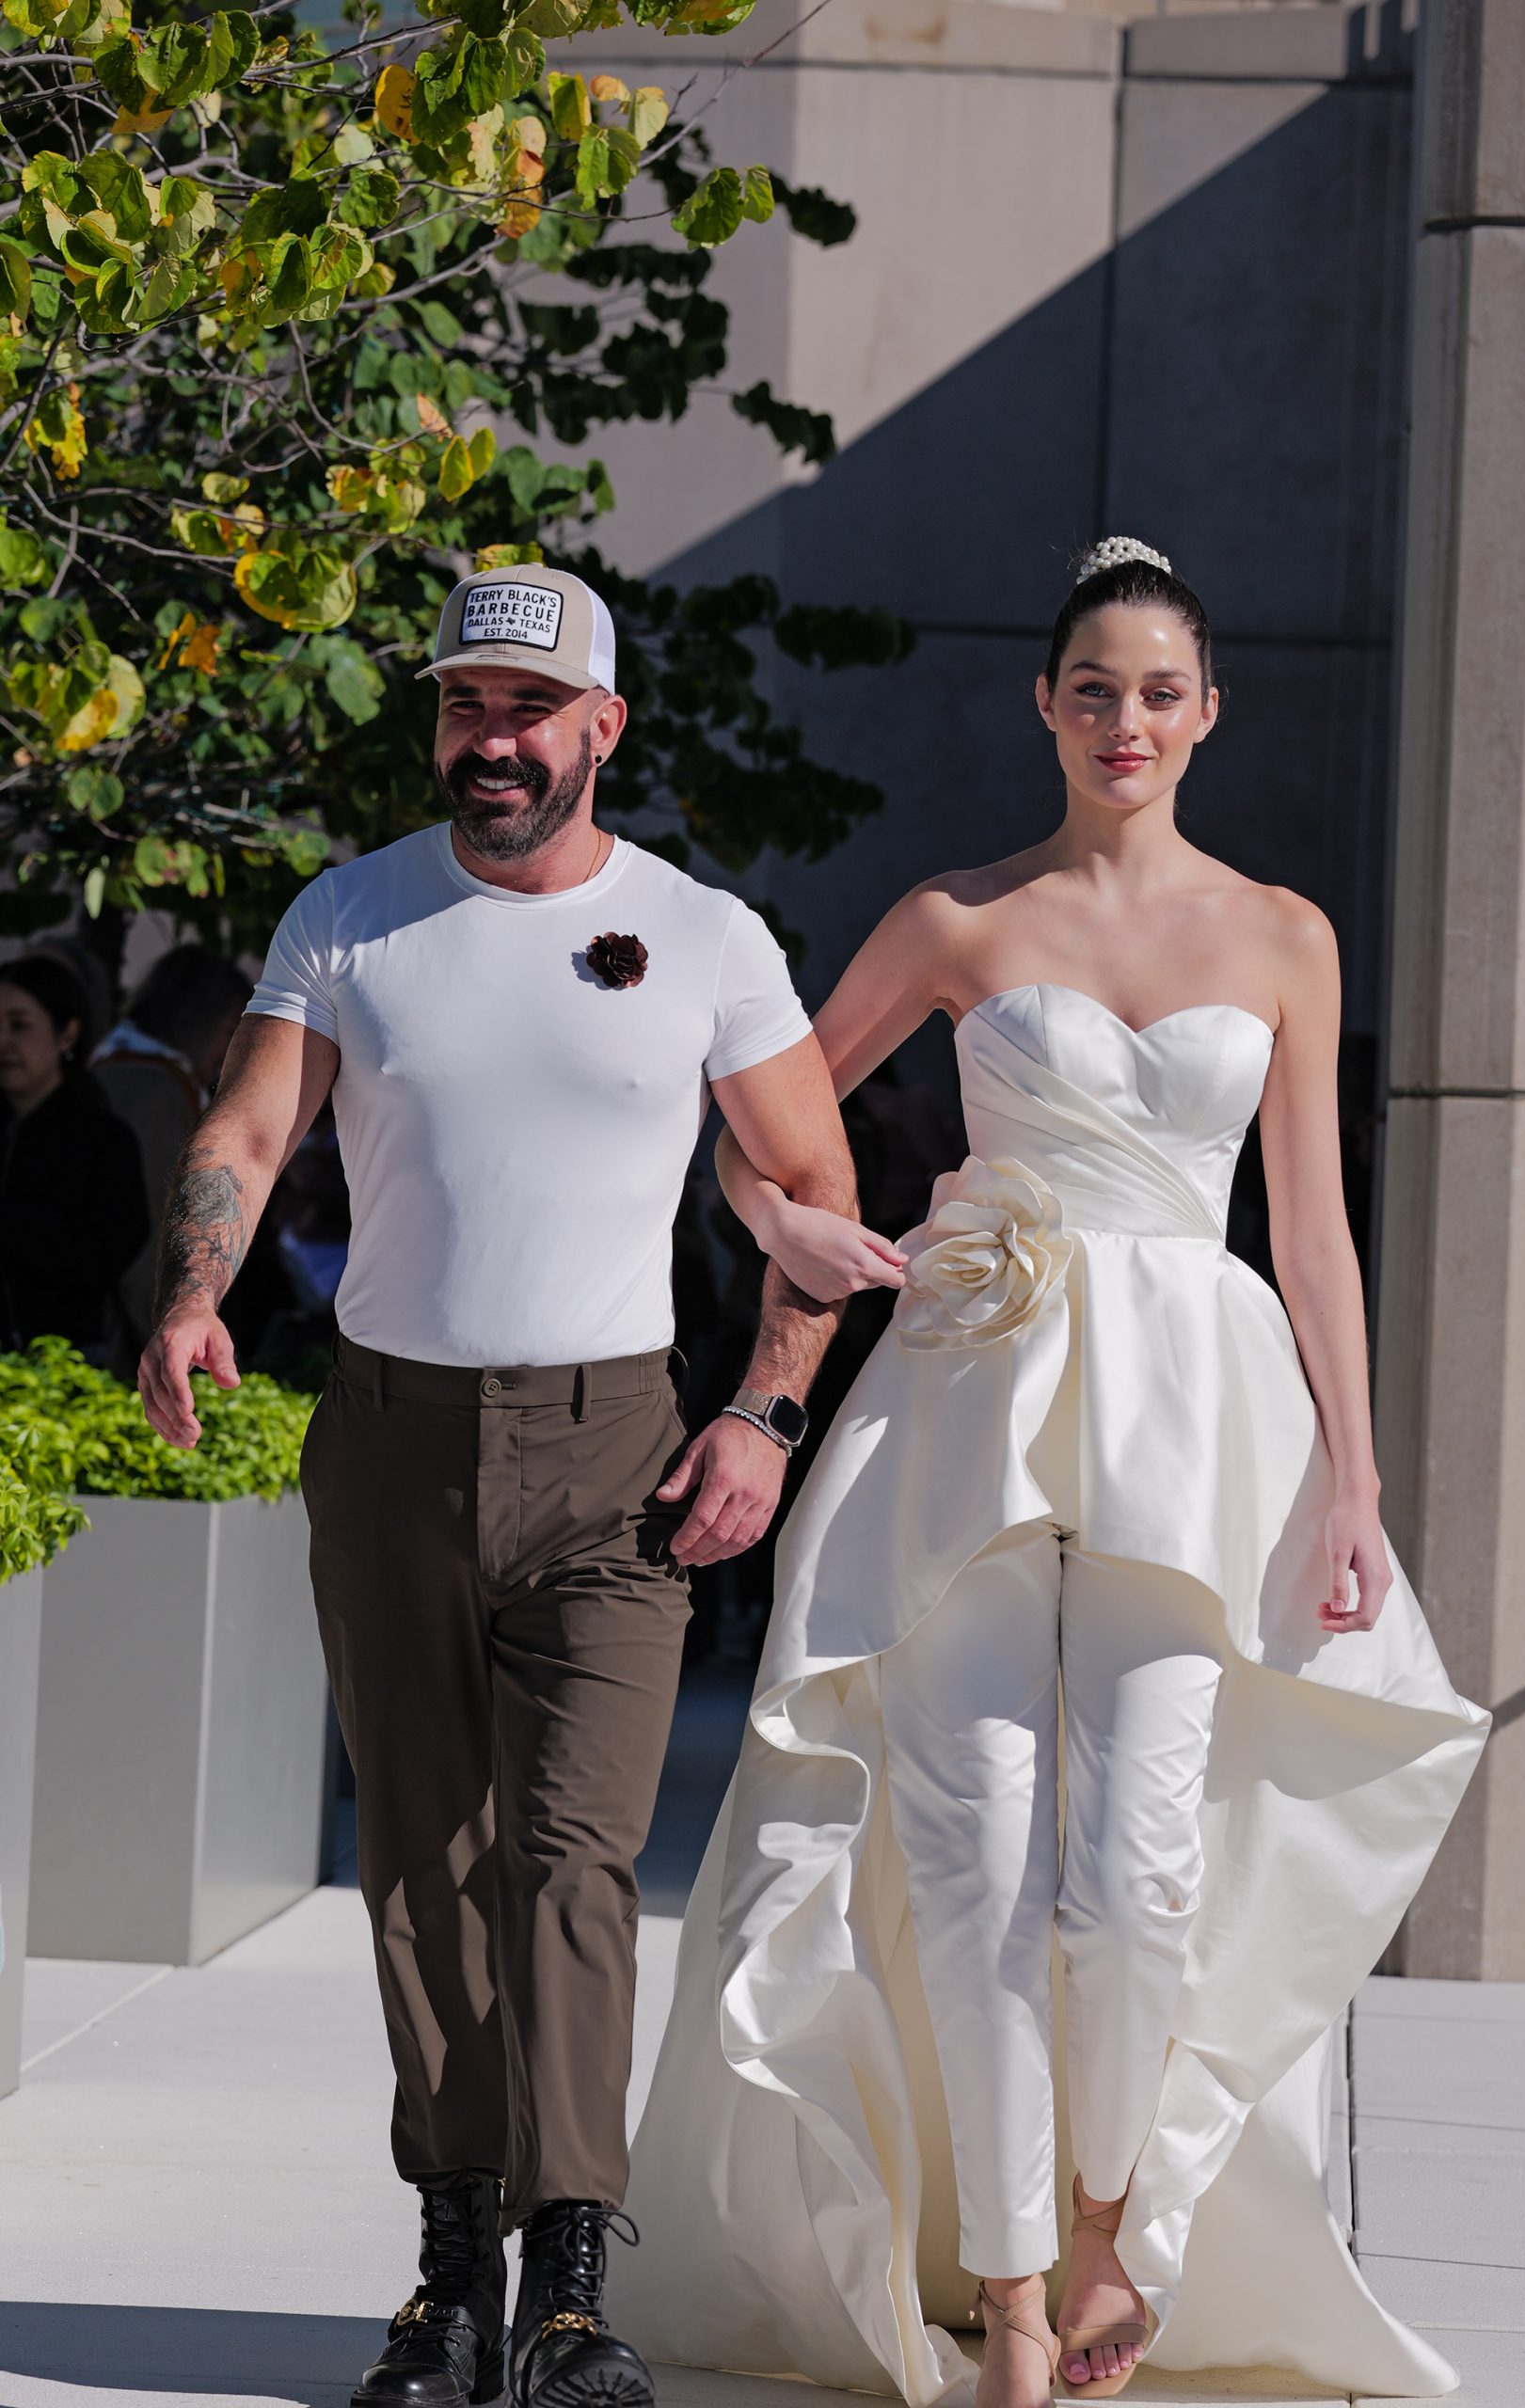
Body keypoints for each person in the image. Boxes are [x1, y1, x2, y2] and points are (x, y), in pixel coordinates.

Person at [612, 539, 1491, 2407]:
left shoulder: (1280, 933)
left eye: (1156, 691)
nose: (1123, 721)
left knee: (1138, 1858)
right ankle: (1011, 2307)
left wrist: (1353, 1479)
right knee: (973, 1853)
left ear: (1204, 712)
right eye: (1091, 687)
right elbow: (758, 1139)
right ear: (1046, 703)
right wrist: (808, 1233)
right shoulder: (953, 917)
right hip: (969, 1401)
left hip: (1199, 1408)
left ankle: (1115, 2224)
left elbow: (1312, 1230)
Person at [135, 563, 858, 2408]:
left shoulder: (702, 937)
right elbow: (248, 1121)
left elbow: (800, 1188)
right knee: (418, 1865)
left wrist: (763, 1416)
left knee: (572, 1862)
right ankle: (452, 2268)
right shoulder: (352, 916)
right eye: (467, 705)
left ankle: (573, 2285)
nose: (495, 741)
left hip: (615, 1446)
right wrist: (201, 1288)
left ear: (602, 726)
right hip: (388, 1443)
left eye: (531, 711)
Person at [93, 943, 253, 1370]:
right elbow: (154, 1215)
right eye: (228, 1032)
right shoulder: (157, 1090)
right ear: (199, 1021)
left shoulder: (112, 1067)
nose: (229, 1054)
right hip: (131, 1325)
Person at [0, 954, 149, 1359]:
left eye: (19, 1025)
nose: (3, 1042)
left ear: (67, 1034)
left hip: (67, 1358)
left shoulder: (102, 1139)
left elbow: (107, 1253)